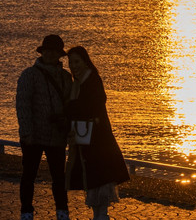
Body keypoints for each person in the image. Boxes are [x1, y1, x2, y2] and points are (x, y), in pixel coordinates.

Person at [65, 45, 130, 220]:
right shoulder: (79, 83)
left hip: (98, 139)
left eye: (76, 62)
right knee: (93, 176)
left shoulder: (92, 80)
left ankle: (101, 215)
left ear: (85, 61)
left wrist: (71, 108)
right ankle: (99, 214)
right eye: (71, 63)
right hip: (87, 137)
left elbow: (93, 106)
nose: (73, 66)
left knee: (99, 175)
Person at [16, 34, 74, 220]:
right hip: (33, 136)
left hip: (57, 136)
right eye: (48, 50)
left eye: (54, 51)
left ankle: (62, 211)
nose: (50, 54)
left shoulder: (66, 78)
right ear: (43, 52)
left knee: (59, 177)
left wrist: (66, 124)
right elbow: (23, 105)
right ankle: (26, 211)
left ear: (59, 55)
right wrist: (27, 133)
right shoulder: (29, 75)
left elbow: (69, 105)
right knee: (28, 176)